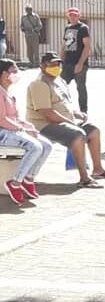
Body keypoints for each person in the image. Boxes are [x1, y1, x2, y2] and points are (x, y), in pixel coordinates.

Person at [26, 52, 105, 188]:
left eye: (58, 64)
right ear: (42, 66)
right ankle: (84, 178)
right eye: (51, 64)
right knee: (78, 135)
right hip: (44, 125)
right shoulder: (39, 84)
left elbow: (64, 105)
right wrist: (70, 123)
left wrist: (77, 114)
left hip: (64, 122)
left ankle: (98, 170)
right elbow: (47, 113)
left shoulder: (59, 81)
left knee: (93, 130)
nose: (56, 67)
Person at [0, 59, 52, 204]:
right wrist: (22, 130)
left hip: (13, 130)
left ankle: (28, 179)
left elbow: (16, 118)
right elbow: (2, 120)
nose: (17, 74)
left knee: (47, 145)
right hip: (3, 133)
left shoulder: (9, 93)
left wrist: (30, 128)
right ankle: (15, 183)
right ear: (4, 74)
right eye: (14, 71)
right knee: (35, 146)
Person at [60, 7, 91, 113]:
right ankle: (62, 109)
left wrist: (80, 63)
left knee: (81, 88)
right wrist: (61, 60)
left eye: (75, 15)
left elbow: (87, 47)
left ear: (79, 16)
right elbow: (65, 45)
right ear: (68, 16)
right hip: (68, 63)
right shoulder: (67, 28)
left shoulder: (83, 28)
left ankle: (83, 111)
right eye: (71, 15)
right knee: (61, 86)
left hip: (79, 63)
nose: (73, 17)